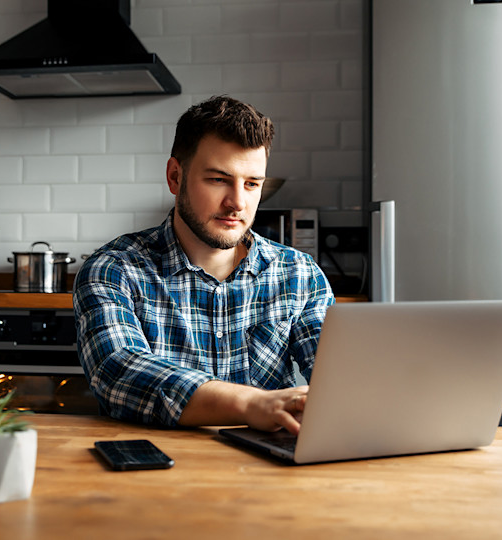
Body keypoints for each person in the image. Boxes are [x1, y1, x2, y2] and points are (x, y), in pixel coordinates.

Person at [73, 96, 335, 434]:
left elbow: (340, 383)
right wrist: (251, 404)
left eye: (252, 183)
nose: (237, 202)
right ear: (174, 177)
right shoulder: (114, 270)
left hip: (270, 471)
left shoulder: (300, 274)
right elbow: (118, 372)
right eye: (218, 179)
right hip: (155, 470)